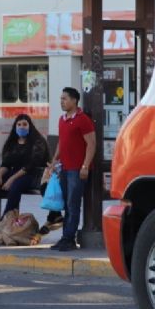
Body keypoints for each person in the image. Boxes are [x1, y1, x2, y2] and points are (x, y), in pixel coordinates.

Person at [0, 114, 48, 243]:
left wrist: (11, 179)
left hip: (33, 175)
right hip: (15, 173)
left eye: (25, 124)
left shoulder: (38, 142)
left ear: (30, 126)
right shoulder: (12, 142)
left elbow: (30, 166)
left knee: (15, 187)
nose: (22, 127)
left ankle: (4, 225)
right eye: (19, 125)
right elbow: (6, 164)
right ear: (15, 127)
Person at [48, 87, 95, 252]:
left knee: (73, 204)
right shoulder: (62, 119)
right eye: (61, 98)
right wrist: (54, 161)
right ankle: (65, 237)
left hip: (77, 169)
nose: (62, 101)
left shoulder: (83, 120)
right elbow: (61, 142)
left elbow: (91, 144)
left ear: (74, 100)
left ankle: (69, 238)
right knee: (66, 205)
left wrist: (85, 166)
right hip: (65, 168)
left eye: (65, 99)